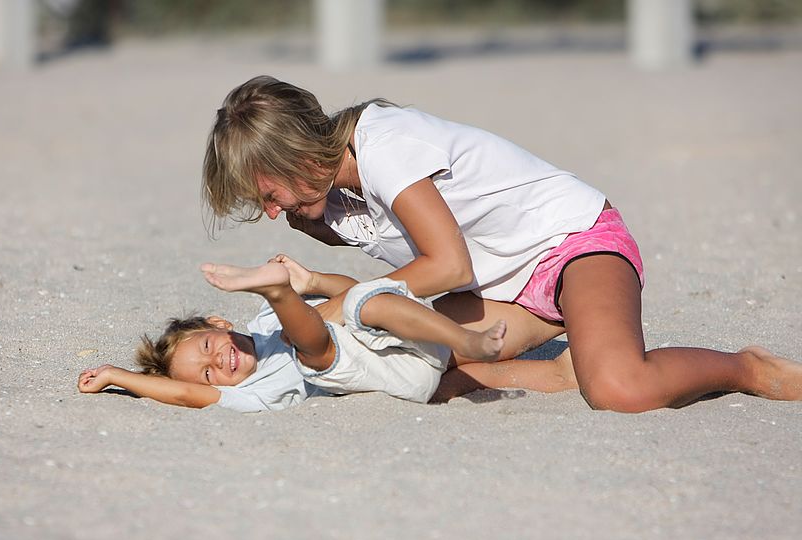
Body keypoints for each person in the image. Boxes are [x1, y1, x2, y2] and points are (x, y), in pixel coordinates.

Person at [201, 75, 802, 412]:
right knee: (416, 368)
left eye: (271, 194)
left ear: (299, 154)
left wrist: (337, 308)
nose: (276, 213)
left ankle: (748, 368)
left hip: (574, 246)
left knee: (621, 390)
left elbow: (446, 263)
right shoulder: (330, 202)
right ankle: (571, 368)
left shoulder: (384, 144)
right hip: (509, 292)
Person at [77, 255, 573, 412]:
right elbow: (183, 392)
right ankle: (278, 289)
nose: (218, 365)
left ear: (220, 323)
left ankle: (570, 365)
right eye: (209, 374)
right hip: (391, 371)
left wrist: (313, 283)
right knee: (319, 343)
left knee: (364, 301)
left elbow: (364, 292)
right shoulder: (250, 395)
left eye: (210, 348)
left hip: (412, 351)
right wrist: (120, 376)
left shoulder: (266, 329)